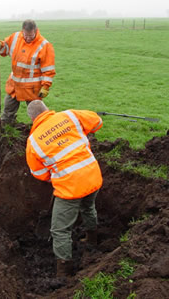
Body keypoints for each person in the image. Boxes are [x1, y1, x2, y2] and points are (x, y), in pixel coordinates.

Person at [25, 100, 103, 277]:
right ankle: (92, 241)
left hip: (70, 187)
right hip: (92, 174)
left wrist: (55, 172)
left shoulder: (34, 141)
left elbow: (39, 173)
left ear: (32, 118)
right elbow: (97, 122)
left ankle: (63, 272)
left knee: (60, 230)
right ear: (47, 110)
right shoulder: (69, 115)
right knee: (88, 207)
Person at [0, 20, 56, 124]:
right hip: (14, 86)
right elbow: (6, 49)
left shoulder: (45, 45)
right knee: (7, 113)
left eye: (31, 36)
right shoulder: (16, 37)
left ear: (36, 31)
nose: (28, 38)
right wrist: (0, 45)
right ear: (22, 31)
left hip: (32, 89)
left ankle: (44, 131)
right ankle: (5, 129)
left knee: (39, 116)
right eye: (26, 35)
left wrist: (45, 86)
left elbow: (48, 70)